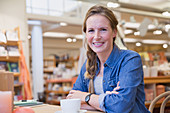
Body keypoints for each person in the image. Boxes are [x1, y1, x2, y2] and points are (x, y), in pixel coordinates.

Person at [67, 5, 150, 113]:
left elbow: (121, 106)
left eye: (103, 30)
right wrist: (107, 101)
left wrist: (86, 97)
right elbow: (72, 101)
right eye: (91, 30)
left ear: (114, 32)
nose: (96, 36)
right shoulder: (88, 65)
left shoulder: (130, 60)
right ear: (86, 34)